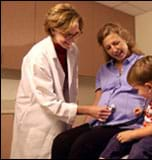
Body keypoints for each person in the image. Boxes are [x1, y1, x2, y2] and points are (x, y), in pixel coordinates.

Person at [51, 23, 152, 159]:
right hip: (100, 124)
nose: (114, 49)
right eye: (108, 47)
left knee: (82, 146)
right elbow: (97, 100)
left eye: (116, 43)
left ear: (125, 39)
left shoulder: (143, 64)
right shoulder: (103, 70)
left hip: (127, 125)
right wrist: (86, 124)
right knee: (61, 141)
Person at [10, 3, 111, 159]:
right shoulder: (37, 56)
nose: (71, 40)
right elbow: (48, 102)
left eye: (75, 34)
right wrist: (87, 109)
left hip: (60, 115)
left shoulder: (73, 50)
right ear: (52, 29)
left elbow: (69, 85)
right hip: (38, 119)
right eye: (66, 34)